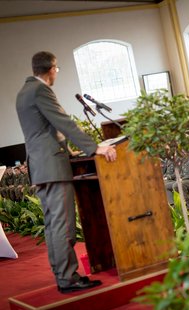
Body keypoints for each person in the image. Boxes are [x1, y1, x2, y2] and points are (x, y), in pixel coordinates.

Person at [16, 51, 117, 293]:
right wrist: (95, 148)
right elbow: (64, 122)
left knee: (53, 226)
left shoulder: (24, 92)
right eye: (57, 68)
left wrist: (70, 151)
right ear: (51, 69)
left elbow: (43, 131)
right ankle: (68, 278)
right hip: (52, 167)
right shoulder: (41, 90)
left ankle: (62, 274)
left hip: (41, 166)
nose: (57, 72)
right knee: (63, 225)